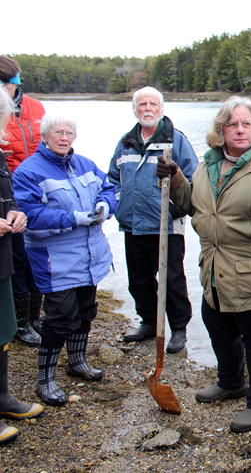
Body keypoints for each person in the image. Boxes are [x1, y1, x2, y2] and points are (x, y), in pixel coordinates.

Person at [157, 96, 251, 433]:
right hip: (214, 273)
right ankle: (231, 381)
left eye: (246, 124)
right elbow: (192, 205)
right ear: (220, 130)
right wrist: (175, 179)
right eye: (232, 124)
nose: (240, 130)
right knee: (218, 329)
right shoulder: (207, 165)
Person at [12, 112, 116, 406]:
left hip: (91, 258)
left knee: (86, 312)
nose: (63, 138)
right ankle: (45, 379)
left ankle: (77, 361)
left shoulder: (84, 164)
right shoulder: (28, 171)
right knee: (58, 319)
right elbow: (30, 215)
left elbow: (109, 189)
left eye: (69, 133)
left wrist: (104, 207)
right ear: (44, 137)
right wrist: (74, 218)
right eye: (57, 133)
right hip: (55, 261)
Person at [109, 86, 198, 354]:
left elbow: (194, 181)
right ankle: (148, 322)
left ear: (161, 109)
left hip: (166, 226)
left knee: (172, 280)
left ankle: (179, 328)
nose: (148, 109)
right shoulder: (125, 141)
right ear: (135, 109)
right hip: (133, 225)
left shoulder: (176, 141)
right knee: (138, 280)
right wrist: (118, 202)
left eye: (153, 104)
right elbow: (112, 179)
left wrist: (174, 207)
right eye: (142, 104)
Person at [0, 88, 43, 443]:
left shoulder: (0, 155)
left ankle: (1, 396)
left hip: (3, 253)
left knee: (1, 330)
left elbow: (7, 193)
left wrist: (15, 211)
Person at [0, 56, 43, 347]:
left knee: (35, 256)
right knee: (15, 256)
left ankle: (35, 316)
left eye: (7, 84)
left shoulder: (35, 107)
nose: (4, 90)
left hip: (36, 192)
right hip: (8, 190)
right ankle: (20, 323)